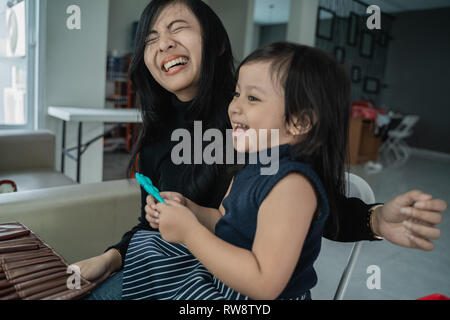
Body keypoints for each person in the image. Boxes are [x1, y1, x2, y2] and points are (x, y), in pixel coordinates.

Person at [76, 0, 446, 300]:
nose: (164, 44)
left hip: (240, 285)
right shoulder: (163, 132)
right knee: (140, 248)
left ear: (217, 42)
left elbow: (311, 208)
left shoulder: (262, 125)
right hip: (190, 266)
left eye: (178, 28)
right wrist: (111, 258)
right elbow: (162, 222)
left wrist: (375, 220)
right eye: (151, 38)